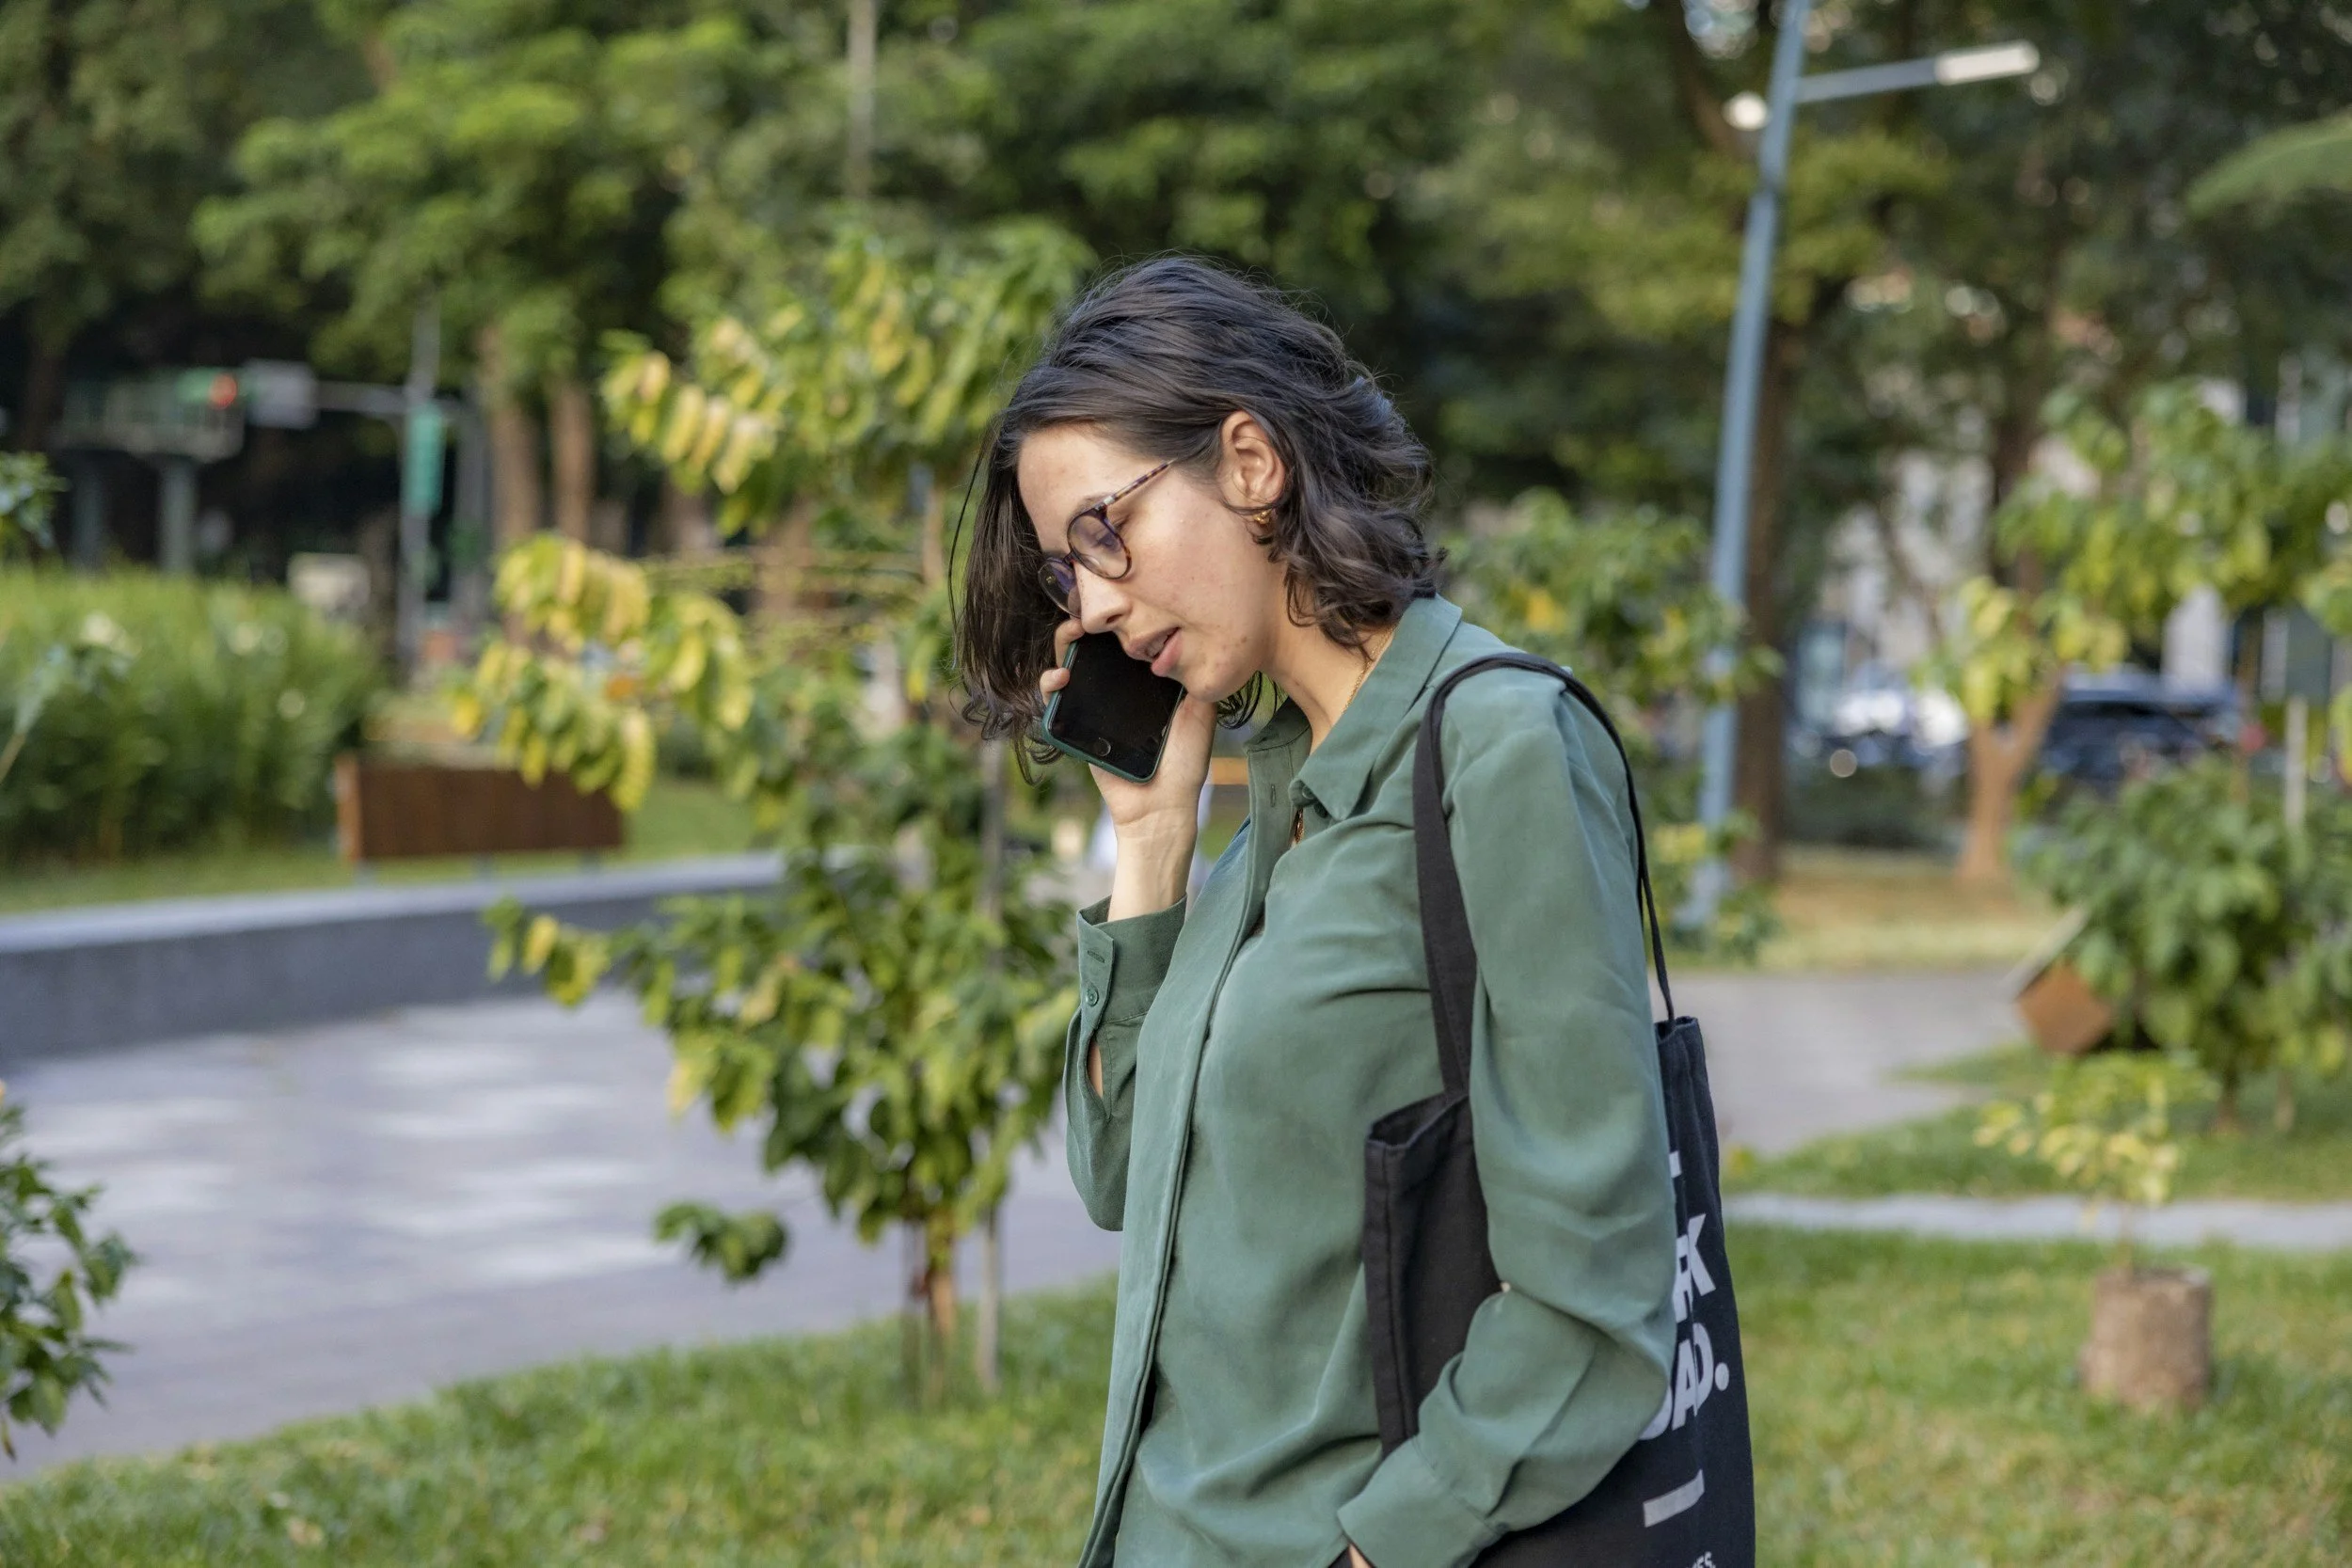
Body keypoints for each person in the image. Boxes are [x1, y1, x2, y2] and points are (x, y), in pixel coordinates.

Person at [956, 257, 1678, 1568]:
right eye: (1070, 573)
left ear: (1249, 459)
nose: (1098, 601)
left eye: (1106, 531)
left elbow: (1597, 1300)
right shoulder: (1274, 792)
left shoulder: (1500, 749)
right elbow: (1121, 1176)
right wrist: (1154, 841)